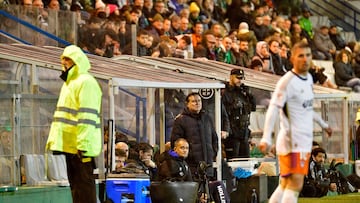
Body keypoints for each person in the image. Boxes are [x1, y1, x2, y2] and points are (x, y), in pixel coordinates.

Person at [259, 42, 332, 203]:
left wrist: (323, 124)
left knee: (286, 183)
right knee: (296, 183)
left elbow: (307, 109)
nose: (305, 59)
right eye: (301, 55)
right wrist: (266, 138)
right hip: (292, 140)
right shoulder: (287, 82)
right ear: (292, 58)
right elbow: (273, 108)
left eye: (308, 55)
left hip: (303, 140)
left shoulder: (308, 79)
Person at [46, 45, 102, 203]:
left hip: (81, 147)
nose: (64, 63)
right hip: (71, 146)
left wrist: (83, 144)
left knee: (84, 189)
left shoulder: (85, 82)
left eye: (68, 60)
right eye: (63, 59)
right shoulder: (69, 83)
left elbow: (87, 116)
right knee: (77, 189)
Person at [171, 92, 218, 179]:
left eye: (199, 101)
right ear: (187, 104)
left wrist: (212, 153)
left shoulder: (207, 118)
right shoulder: (181, 120)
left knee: (207, 191)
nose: (197, 103)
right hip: (191, 167)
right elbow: (175, 142)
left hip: (207, 166)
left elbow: (214, 138)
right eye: (194, 101)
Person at [222, 68, 256, 158]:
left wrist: (250, 96)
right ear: (231, 77)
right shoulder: (225, 92)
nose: (239, 81)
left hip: (244, 131)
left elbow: (253, 108)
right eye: (237, 78)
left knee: (245, 159)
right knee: (233, 159)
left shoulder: (243, 92)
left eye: (241, 78)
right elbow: (223, 113)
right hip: (232, 132)